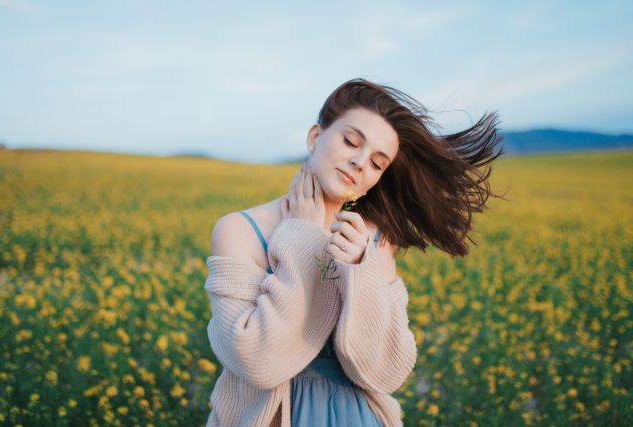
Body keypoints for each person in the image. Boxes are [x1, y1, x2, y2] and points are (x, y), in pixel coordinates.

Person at [203, 78, 506, 427]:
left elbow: (387, 373)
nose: (361, 162)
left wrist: (359, 272)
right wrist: (302, 238)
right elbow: (256, 361)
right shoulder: (239, 230)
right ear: (316, 137)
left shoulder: (375, 243)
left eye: (378, 163)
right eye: (350, 141)